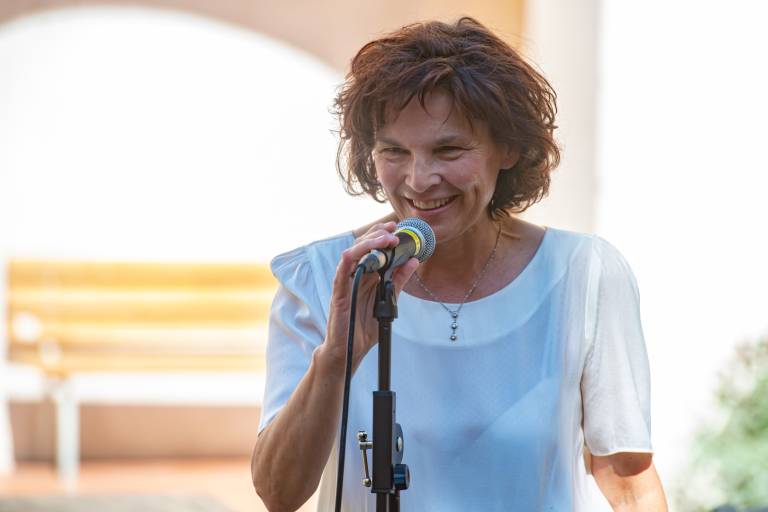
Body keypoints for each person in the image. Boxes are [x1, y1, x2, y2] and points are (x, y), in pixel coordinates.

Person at [251, 17, 667, 511]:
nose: (419, 179)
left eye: (448, 150)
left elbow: (628, 481)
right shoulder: (324, 277)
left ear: (508, 148)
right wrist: (335, 359)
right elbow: (279, 493)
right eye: (394, 151)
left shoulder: (584, 276)